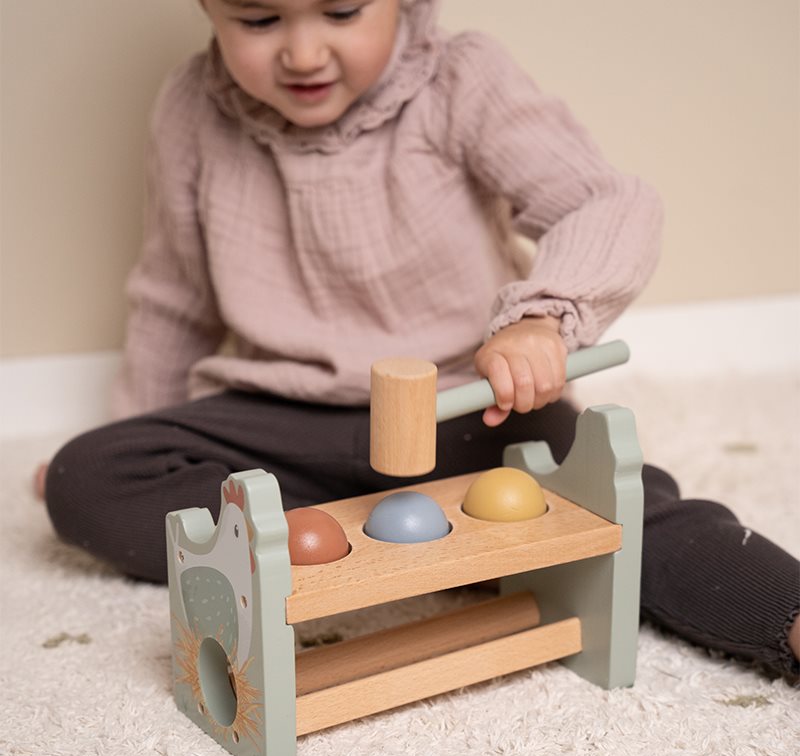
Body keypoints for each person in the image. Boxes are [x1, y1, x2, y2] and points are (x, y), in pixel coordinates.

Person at [42, 0, 798, 678]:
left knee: (620, 506)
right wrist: (132, 425)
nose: (303, 54)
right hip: (286, 417)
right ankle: (391, 537)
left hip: (468, 406)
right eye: (258, 20)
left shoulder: (459, 80)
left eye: (341, 12)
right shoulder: (190, 108)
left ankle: (788, 615)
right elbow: (173, 298)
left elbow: (604, 201)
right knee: (88, 477)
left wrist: (541, 319)